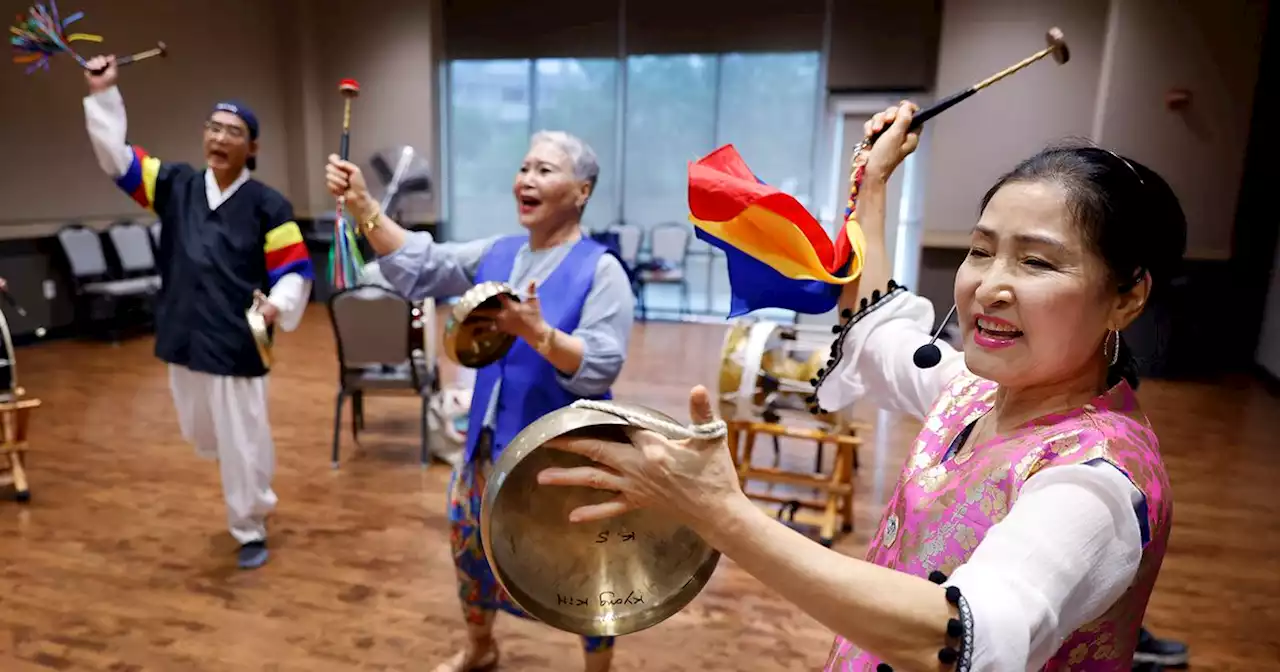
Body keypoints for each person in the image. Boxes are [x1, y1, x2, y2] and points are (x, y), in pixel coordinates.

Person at [535, 101, 1187, 670]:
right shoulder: (971, 391)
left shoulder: (1097, 485)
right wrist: (874, 183)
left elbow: (964, 639)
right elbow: (879, 336)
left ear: (1128, 296)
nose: (990, 285)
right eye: (982, 250)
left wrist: (720, 512)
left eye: (1037, 261)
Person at [324, 130, 635, 672]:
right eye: (524, 168)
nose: (526, 180)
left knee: (583, 567)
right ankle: (480, 646)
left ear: (581, 191)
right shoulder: (499, 252)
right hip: (486, 446)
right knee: (471, 551)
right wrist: (364, 206)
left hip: (560, 459)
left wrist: (539, 334)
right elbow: (424, 263)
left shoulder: (601, 270)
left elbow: (601, 364)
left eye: (544, 170)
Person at [81, 55, 314, 570]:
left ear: (251, 147)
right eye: (213, 127)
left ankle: (250, 523)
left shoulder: (267, 205)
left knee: (242, 438)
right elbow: (116, 159)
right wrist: (102, 95)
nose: (220, 137)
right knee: (201, 431)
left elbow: (294, 267)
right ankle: (241, 482)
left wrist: (280, 302)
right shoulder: (176, 185)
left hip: (236, 339)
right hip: (183, 332)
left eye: (233, 131)